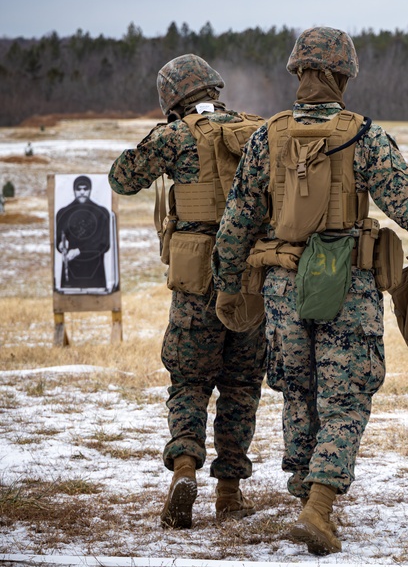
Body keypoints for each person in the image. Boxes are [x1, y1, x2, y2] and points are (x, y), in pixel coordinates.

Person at [212, 26, 408, 556]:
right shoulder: (364, 135)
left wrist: (227, 285)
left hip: (282, 285)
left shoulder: (266, 136)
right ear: (343, 75)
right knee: (345, 398)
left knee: (298, 393)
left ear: (299, 71)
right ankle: (318, 507)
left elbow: (236, 222)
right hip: (346, 283)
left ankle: (306, 498)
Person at [108, 54, 267, 529]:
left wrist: (162, 139)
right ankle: (229, 492)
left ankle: (183, 468)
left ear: (172, 99)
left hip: (196, 281)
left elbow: (122, 178)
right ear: (214, 87)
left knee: (189, 381)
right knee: (242, 385)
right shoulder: (257, 129)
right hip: (250, 277)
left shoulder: (175, 136)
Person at [55, 175, 112, 291]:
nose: (82, 192)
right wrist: (61, 245)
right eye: (78, 189)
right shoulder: (63, 213)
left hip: (95, 271)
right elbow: (59, 240)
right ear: (74, 190)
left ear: (90, 190)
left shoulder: (101, 213)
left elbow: (104, 244)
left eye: (85, 189)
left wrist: (80, 251)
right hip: (71, 271)